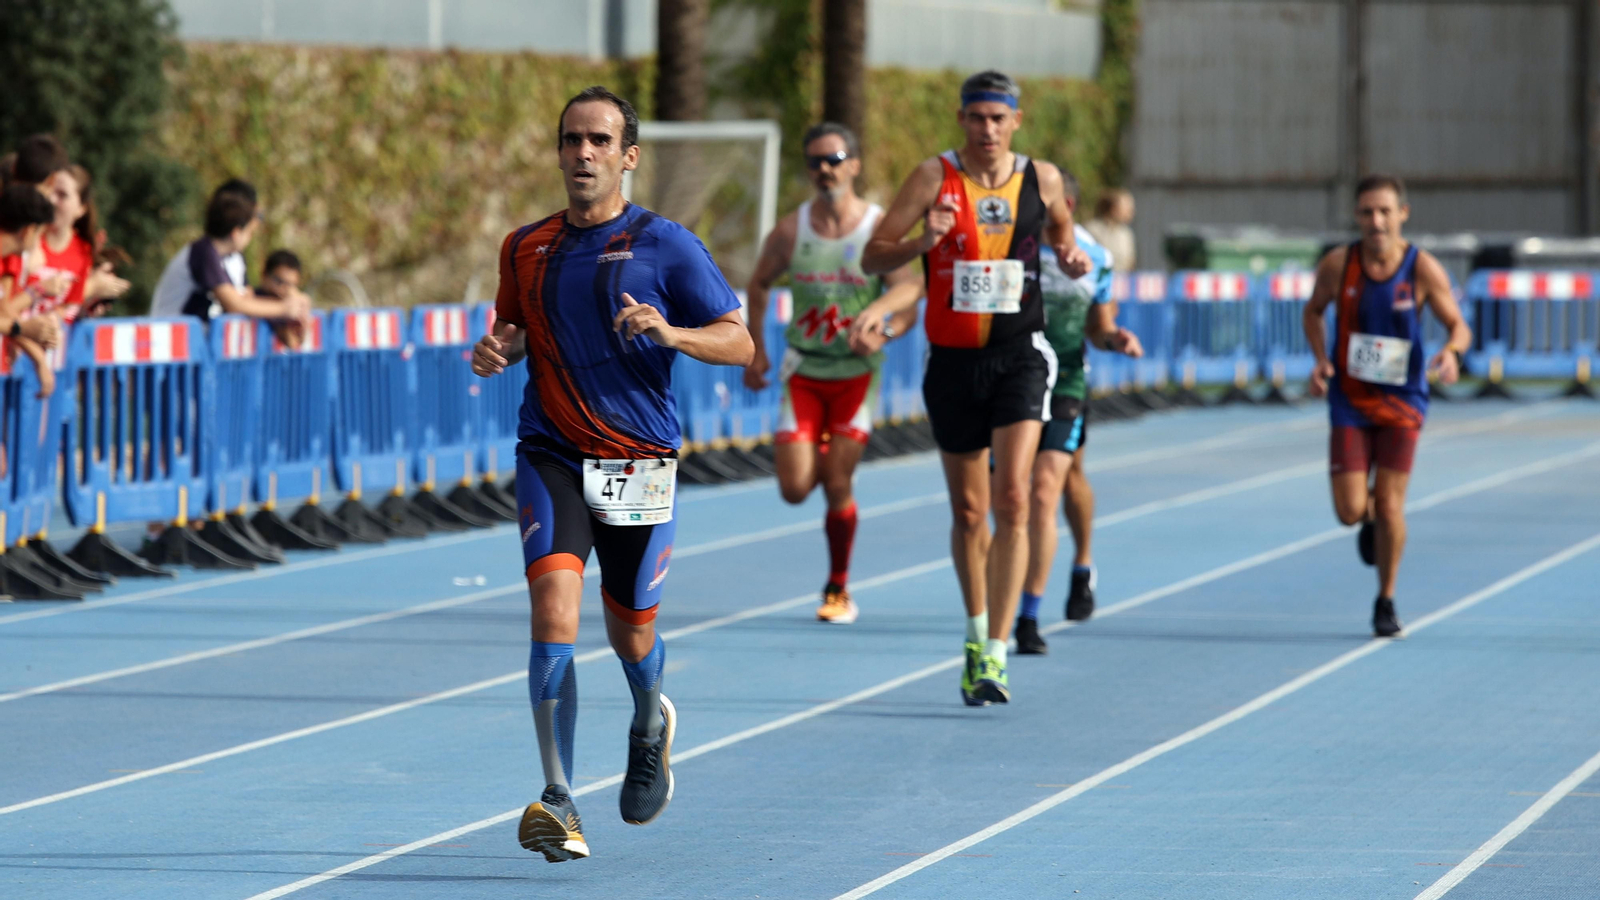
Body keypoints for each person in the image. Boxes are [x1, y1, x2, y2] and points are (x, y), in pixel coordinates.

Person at [470, 86, 753, 862]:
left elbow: (742, 344)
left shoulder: (668, 245)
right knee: (553, 611)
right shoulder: (525, 246)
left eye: (599, 141)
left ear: (629, 155)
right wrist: (497, 350)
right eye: (570, 140)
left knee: (631, 631)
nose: (582, 153)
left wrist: (673, 331)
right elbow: (516, 330)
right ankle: (559, 798)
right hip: (552, 453)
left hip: (637, 463)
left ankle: (648, 719)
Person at [854, 70, 1090, 706]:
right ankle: (975, 628)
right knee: (969, 510)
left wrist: (1068, 256)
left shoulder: (1040, 179)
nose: (987, 129)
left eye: (998, 118)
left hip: (1021, 357)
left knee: (1013, 497)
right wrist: (921, 241)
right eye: (977, 117)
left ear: (1017, 120)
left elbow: (1064, 231)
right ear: (962, 119)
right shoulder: (934, 178)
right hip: (954, 363)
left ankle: (997, 651)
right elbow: (872, 258)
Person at [743, 122, 921, 624]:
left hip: (856, 375)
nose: (825, 169)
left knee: (838, 482)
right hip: (804, 371)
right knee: (795, 489)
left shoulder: (879, 230)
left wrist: (882, 330)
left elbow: (910, 300)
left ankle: (837, 588)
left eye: (835, 158)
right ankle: (822, 445)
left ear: (855, 165)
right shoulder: (791, 229)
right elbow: (758, 283)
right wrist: (756, 350)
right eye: (815, 161)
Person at [1303, 174, 1470, 637]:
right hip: (1351, 402)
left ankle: (1386, 599)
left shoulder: (1421, 269)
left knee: (1393, 504)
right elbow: (1313, 310)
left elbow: (1459, 325)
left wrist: (1451, 353)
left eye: (1384, 211)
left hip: (1402, 401)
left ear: (1402, 214)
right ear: (1356, 217)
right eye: (1366, 213)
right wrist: (1320, 359)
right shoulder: (1340, 265)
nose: (1375, 221)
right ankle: (1369, 518)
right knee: (1351, 510)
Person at [1014, 173, 1142, 655]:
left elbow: (1100, 326)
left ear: (1065, 203)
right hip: (1014, 379)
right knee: (1018, 493)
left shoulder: (1096, 257)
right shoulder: (1013, 246)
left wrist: (1116, 338)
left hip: (1066, 379)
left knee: (1054, 487)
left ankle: (1059, 585)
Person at [150, 181, 307, 322]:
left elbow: (247, 300)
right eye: (250, 232)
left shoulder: (232, 257)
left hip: (195, 346)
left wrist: (293, 301)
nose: (252, 236)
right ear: (236, 233)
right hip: (171, 343)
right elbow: (235, 304)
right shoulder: (203, 251)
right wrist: (284, 309)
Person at [27, 164, 130, 323]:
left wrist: (89, 306)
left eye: (62, 195)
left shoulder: (83, 251)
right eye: (51, 190)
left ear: (81, 209)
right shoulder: (26, 238)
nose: (52, 200)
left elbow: (67, 313)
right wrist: (91, 287)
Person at [1083, 188, 1136, 273]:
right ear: (1113, 208)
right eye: (1126, 207)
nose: (1130, 211)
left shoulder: (1126, 234)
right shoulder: (1092, 229)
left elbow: (1130, 262)